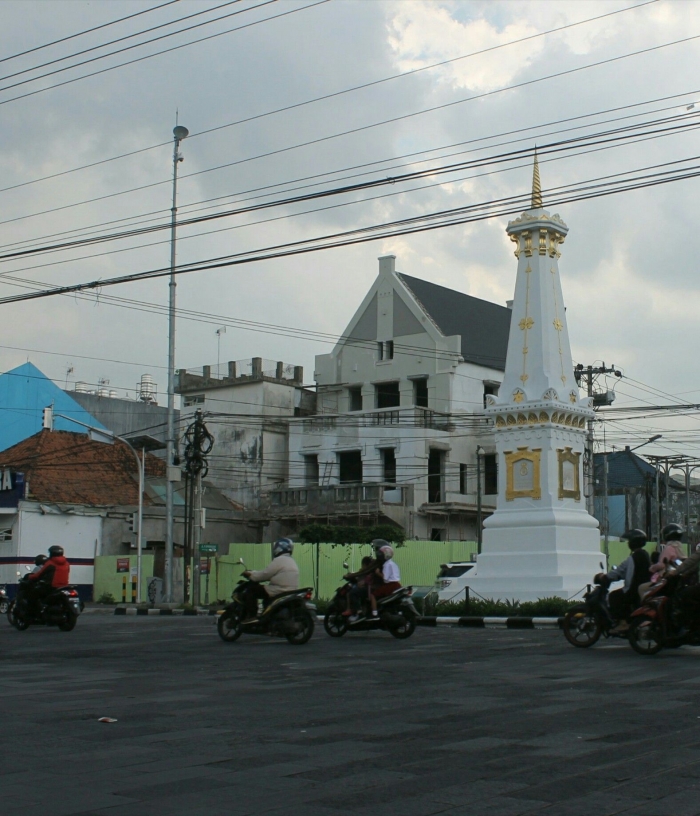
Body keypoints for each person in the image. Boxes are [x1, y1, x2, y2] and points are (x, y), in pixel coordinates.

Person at [596, 529, 650, 634]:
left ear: (633, 542)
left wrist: (606, 577)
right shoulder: (644, 554)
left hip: (633, 589)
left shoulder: (633, 558)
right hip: (641, 588)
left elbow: (620, 570)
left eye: (630, 541)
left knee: (613, 596)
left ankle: (623, 622)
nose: (628, 543)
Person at [241, 538, 299, 623]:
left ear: (279, 548)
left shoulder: (279, 560)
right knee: (265, 597)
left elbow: (265, 574)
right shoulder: (291, 561)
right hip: (289, 591)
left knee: (251, 591)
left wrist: (251, 575)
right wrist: (254, 573)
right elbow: (272, 574)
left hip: (278, 590)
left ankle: (252, 616)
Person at [25, 545, 70, 613]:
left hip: (51, 587)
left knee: (33, 594)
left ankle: (32, 613)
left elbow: (39, 574)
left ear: (51, 553)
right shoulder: (67, 563)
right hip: (64, 586)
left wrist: (29, 577)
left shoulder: (50, 563)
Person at [342, 555, 376, 619]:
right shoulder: (368, 570)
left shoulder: (368, 571)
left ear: (365, 565)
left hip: (370, 589)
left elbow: (363, 577)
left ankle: (359, 611)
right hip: (369, 588)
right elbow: (358, 574)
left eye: (363, 565)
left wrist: (363, 582)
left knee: (352, 593)